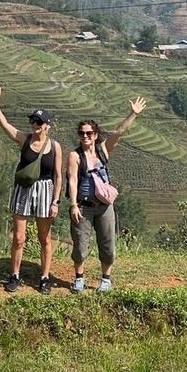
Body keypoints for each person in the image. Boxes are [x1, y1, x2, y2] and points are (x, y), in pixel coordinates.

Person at [67, 97, 146, 294]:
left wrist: (133, 114)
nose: (85, 136)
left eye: (89, 133)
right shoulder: (75, 156)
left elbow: (120, 132)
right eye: (81, 133)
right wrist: (74, 205)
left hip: (104, 206)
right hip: (84, 206)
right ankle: (79, 279)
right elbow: (72, 181)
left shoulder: (103, 150)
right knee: (80, 245)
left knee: (108, 244)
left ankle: (106, 280)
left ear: (95, 135)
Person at [0, 87, 63, 295]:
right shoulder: (25, 139)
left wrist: (55, 201)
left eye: (39, 122)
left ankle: (45, 277)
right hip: (23, 190)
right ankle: (14, 275)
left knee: (45, 238)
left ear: (47, 125)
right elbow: (6, 126)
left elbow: (58, 176)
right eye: (32, 121)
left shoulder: (55, 147)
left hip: (45, 191)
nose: (35, 124)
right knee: (19, 238)